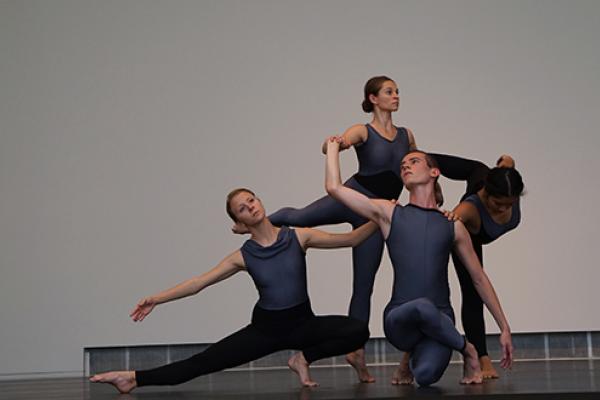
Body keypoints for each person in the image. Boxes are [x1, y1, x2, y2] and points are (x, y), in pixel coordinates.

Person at [90, 188, 376, 393]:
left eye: (251, 200)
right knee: (201, 363)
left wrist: (381, 218)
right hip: (265, 331)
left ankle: (302, 357)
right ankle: (133, 378)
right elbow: (198, 283)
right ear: (239, 223)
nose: (250, 206)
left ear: (260, 201)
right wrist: (157, 298)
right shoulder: (243, 255)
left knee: (357, 331)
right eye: (242, 208)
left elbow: (350, 239)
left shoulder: (298, 236)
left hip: (303, 324)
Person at [250, 76, 417, 382]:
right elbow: (341, 140)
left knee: (363, 285)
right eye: (389, 92)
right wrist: (334, 145)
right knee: (299, 216)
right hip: (351, 197)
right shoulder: (362, 130)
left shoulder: (406, 134)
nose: (396, 96)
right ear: (373, 98)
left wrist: (438, 190)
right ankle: (252, 223)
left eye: (397, 92)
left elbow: (416, 163)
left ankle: (356, 351)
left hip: (374, 215)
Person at [325, 138, 513, 386]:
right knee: (422, 306)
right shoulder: (389, 213)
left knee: (424, 376)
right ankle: (467, 350)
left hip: (441, 319)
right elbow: (334, 188)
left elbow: (478, 278)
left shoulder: (452, 224)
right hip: (400, 318)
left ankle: (409, 362)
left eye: (414, 161)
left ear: (434, 172)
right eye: (403, 165)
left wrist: (504, 327)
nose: (406, 166)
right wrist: (333, 148)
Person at [426, 153, 523, 379]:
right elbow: (445, 228)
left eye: (509, 204)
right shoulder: (468, 209)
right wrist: (434, 190)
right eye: (498, 205)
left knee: (481, 168)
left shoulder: (508, 184)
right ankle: (481, 357)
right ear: (487, 195)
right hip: (468, 234)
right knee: (472, 293)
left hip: (482, 172)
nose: (503, 209)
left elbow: (508, 161)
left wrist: (505, 162)